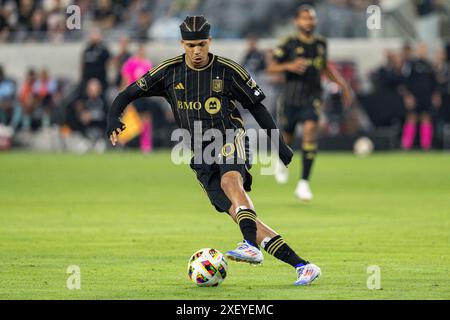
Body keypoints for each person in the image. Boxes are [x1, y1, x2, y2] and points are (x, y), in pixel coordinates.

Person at [107, 16, 321, 286]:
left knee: (230, 180)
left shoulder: (228, 71)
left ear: (209, 41)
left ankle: (248, 246)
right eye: (190, 45)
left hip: (230, 135)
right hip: (200, 153)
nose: (196, 51)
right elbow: (127, 94)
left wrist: (279, 145)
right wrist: (113, 119)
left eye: (201, 44)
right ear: (182, 44)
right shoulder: (169, 72)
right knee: (240, 214)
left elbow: (256, 107)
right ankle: (303, 266)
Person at [267, 5, 352, 201]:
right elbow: (271, 67)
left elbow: (325, 68)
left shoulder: (321, 44)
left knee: (310, 131)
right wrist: (289, 65)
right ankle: (281, 160)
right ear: (297, 21)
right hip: (290, 98)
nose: (309, 22)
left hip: (312, 97)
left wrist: (342, 84)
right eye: (305, 18)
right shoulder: (288, 43)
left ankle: (303, 183)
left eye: (311, 18)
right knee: (287, 137)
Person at [401, 42, 439, 150]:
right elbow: (405, 81)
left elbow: (434, 83)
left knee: (426, 118)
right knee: (411, 118)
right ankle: (406, 144)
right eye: (420, 48)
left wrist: (435, 96)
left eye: (424, 49)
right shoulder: (411, 64)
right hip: (414, 96)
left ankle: (426, 145)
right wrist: (407, 96)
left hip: (426, 96)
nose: (422, 51)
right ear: (417, 50)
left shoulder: (429, 65)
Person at [121, 43, 154, 153]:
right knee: (130, 119)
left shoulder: (147, 63)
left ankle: (146, 145)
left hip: (144, 95)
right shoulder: (130, 63)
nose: (142, 52)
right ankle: (123, 142)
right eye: (140, 50)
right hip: (134, 95)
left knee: (146, 120)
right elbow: (126, 80)